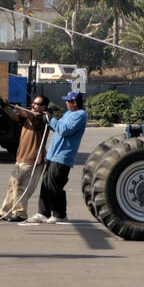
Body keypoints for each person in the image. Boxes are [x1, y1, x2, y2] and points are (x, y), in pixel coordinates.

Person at [26, 91, 87, 224]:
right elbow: (58, 127)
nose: (66, 103)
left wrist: (51, 119)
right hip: (53, 154)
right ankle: (43, 212)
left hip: (63, 156)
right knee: (46, 184)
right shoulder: (68, 113)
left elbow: (65, 130)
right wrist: (50, 119)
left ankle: (60, 214)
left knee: (54, 185)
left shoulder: (80, 115)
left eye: (68, 101)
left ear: (75, 102)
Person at [0, 95, 49, 221]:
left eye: (37, 104)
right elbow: (15, 117)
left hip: (32, 158)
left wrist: (14, 106)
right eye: (33, 103)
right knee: (12, 185)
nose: (34, 106)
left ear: (44, 107)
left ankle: (20, 213)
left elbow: (31, 115)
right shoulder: (29, 116)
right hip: (21, 157)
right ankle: (5, 212)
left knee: (21, 187)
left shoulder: (42, 118)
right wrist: (5, 107)